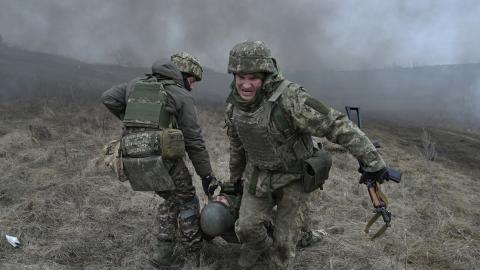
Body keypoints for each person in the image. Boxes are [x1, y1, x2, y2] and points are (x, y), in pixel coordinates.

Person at [225, 40, 387, 270]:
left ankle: (294, 241)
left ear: (266, 75)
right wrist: (233, 181)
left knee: (283, 246)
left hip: (294, 178)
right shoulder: (234, 106)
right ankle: (262, 245)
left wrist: (372, 161)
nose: (246, 85)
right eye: (241, 77)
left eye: (253, 78)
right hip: (258, 176)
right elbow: (237, 145)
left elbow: (335, 124)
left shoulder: (290, 98)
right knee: (245, 228)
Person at [101, 52, 218, 268]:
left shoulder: (135, 83)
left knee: (170, 199)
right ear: (182, 74)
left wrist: (137, 125)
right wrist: (206, 175)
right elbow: (194, 140)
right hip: (164, 158)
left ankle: (163, 256)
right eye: (192, 80)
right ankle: (193, 258)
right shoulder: (181, 95)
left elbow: (108, 97)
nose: (192, 86)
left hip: (132, 155)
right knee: (187, 201)